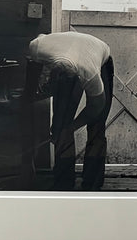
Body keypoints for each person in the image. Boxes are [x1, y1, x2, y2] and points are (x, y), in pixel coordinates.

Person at [24, 31, 114, 191]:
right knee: (61, 121)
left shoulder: (89, 73)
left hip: (98, 56)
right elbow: (32, 74)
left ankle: (91, 184)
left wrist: (71, 127)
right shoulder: (37, 47)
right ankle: (63, 183)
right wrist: (28, 99)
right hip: (68, 49)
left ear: (78, 78)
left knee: (96, 125)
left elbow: (96, 107)